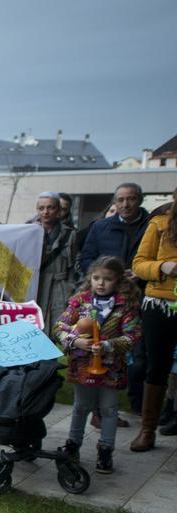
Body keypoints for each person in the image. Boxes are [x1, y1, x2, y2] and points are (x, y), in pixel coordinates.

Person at [54, 256, 141, 474]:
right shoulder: (80, 301)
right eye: (96, 278)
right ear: (90, 279)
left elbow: (133, 336)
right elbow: (59, 326)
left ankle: (105, 450)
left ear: (118, 281)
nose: (101, 283)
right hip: (82, 364)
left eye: (107, 279)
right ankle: (73, 445)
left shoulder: (125, 304)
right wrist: (75, 341)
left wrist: (108, 345)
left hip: (111, 367)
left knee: (108, 409)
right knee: (81, 406)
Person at [79, 182, 152, 418]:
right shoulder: (101, 227)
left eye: (130, 199)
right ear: (114, 202)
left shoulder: (151, 226)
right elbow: (86, 258)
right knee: (101, 349)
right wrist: (102, 276)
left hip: (140, 296)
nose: (125, 204)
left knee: (138, 354)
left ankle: (137, 406)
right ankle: (100, 411)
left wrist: (139, 273)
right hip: (104, 300)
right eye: (120, 200)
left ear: (139, 199)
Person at [130, 192, 177, 452]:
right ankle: (148, 430)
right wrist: (162, 267)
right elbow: (138, 265)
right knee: (156, 365)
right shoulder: (159, 223)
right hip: (160, 303)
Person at [35, 192, 80, 329]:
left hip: (60, 286)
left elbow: (75, 265)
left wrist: (72, 288)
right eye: (41, 208)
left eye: (50, 208)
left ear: (59, 210)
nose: (46, 212)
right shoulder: (28, 230)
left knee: (59, 327)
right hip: (37, 285)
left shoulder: (70, 234)